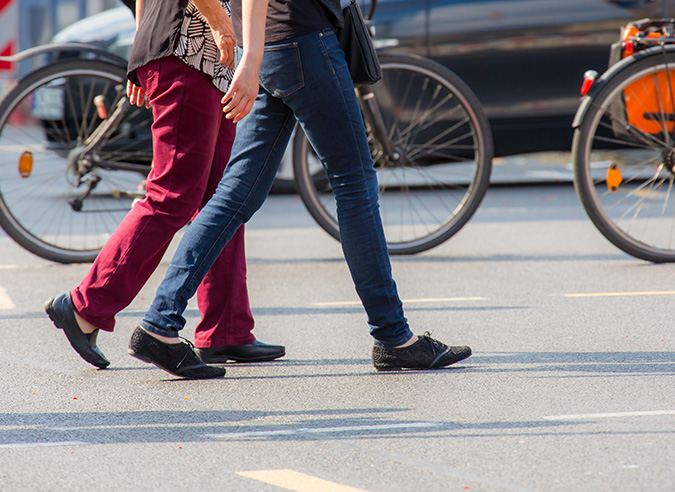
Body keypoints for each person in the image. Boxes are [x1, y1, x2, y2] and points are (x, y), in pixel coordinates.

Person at [128, 0, 472, 378]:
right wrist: (251, 60)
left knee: (236, 194)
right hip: (299, 41)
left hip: (269, 44)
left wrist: (253, 56)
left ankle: (160, 322)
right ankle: (393, 337)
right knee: (353, 181)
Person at [44, 0, 284, 378]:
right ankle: (83, 306)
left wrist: (142, 48)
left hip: (200, 59)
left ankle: (226, 327)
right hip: (187, 52)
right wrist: (222, 26)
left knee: (222, 198)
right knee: (172, 195)